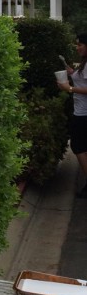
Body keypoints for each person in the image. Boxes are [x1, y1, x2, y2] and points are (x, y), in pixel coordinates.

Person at [57, 33, 87, 198]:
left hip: (83, 114)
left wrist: (69, 88)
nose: (77, 47)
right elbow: (82, 79)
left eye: (80, 44)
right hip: (81, 112)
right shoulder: (84, 63)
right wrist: (72, 72)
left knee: (78, 147)